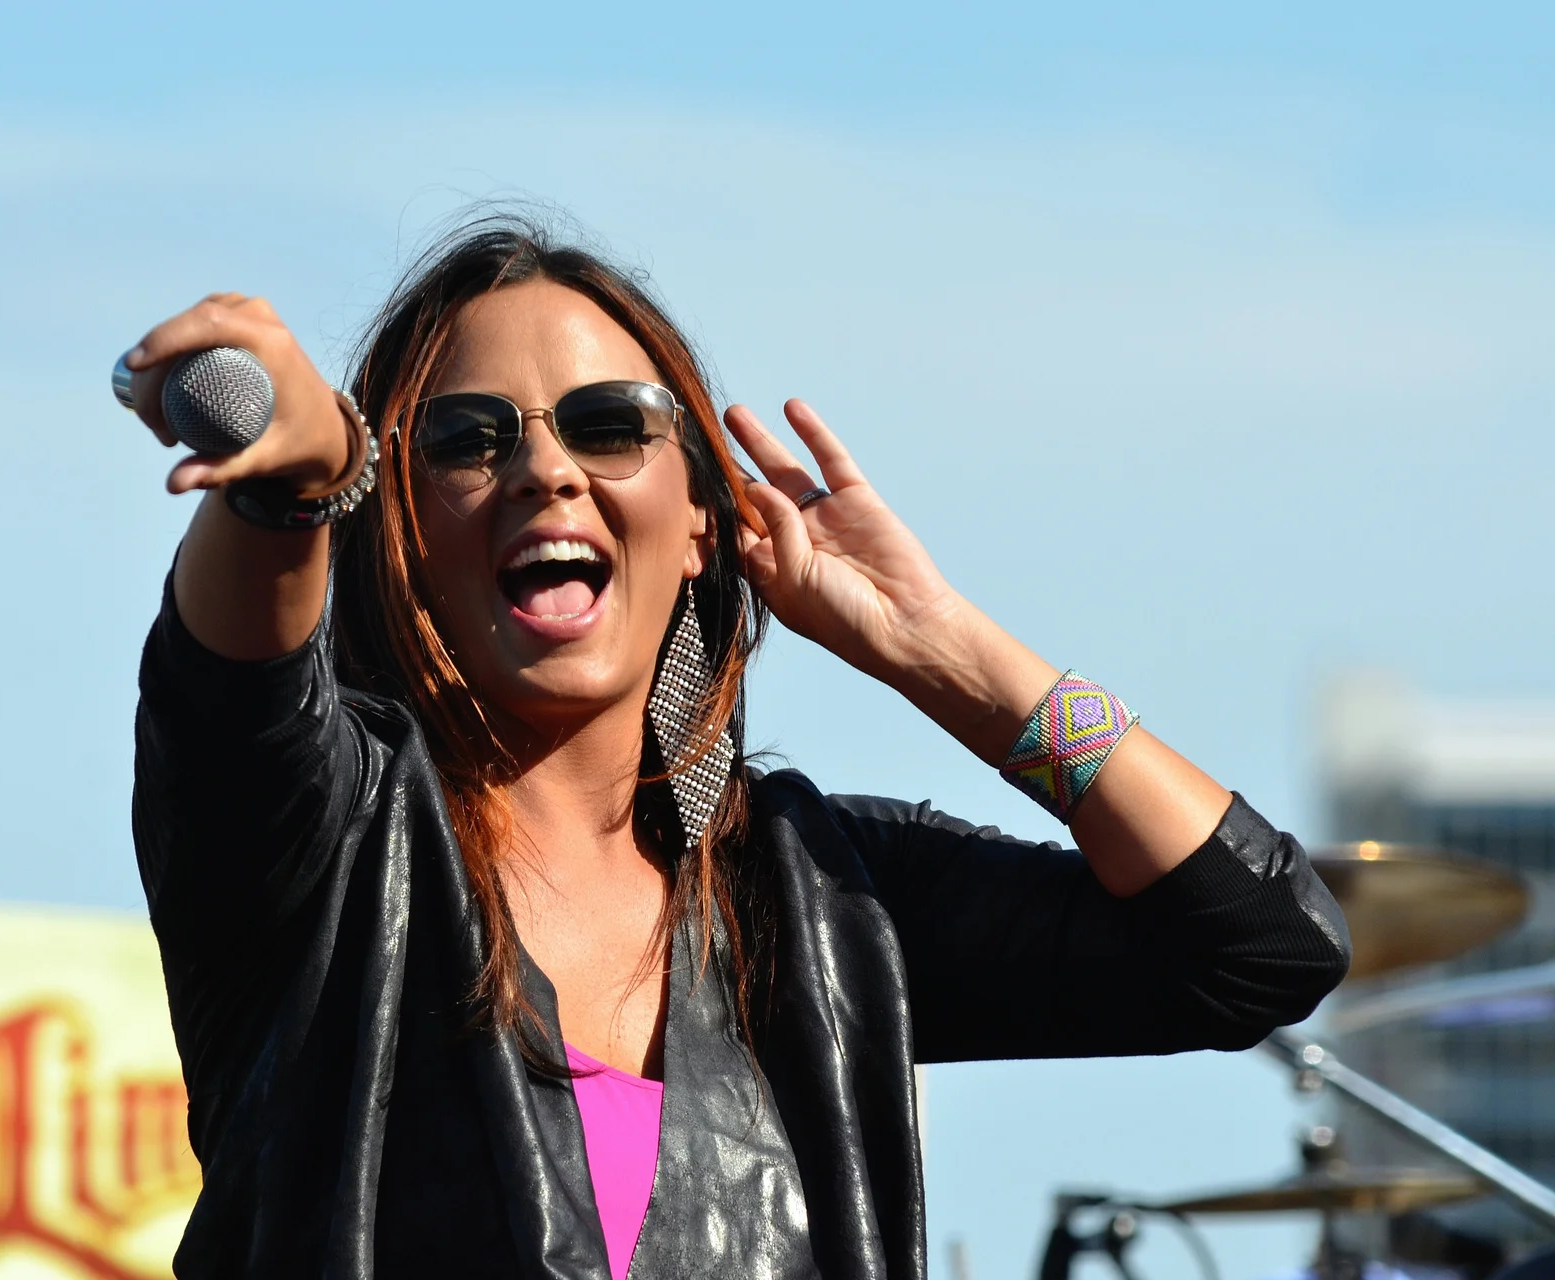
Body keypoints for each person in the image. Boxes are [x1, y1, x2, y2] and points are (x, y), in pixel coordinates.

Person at [126, 217, 1350, 1280]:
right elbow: (234, 696)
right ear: (397, 526)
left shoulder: (817, 897)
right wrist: (293, 486)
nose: (547, 467)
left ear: (705, 521)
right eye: (468, 438)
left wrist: (945, 651)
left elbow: (1257, 942)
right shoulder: (326, 847)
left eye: (612, 424)